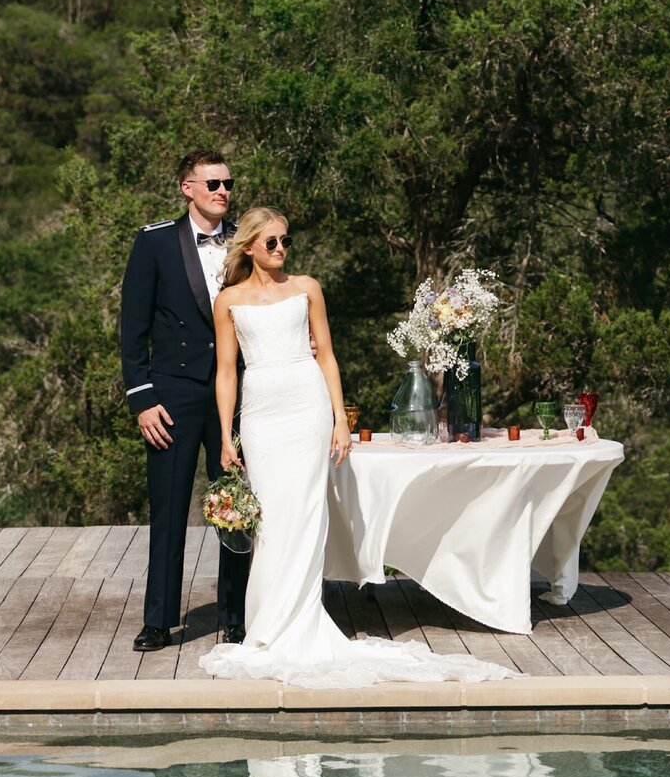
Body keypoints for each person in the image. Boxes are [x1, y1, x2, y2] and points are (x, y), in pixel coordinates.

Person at [199, 208, 516, 686]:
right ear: (249, 248)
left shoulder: (307, 288)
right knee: (271, 521)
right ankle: (267, 627)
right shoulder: (228, 301)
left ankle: (301, 623)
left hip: (306, 408)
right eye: (271, 243)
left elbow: (326, 354)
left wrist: (338, 421)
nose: (282, 249)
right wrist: (226, 434)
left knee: (307, 516)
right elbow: (226, 370)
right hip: (262, 413)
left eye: (286, 240)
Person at [120, 150, 249, 650]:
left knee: (236, 503)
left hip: (234, 391)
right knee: (169, 507)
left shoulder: (247, 239)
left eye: (228, 183)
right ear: (187, 188)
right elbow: (133, 328)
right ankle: (158, 620)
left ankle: (236, 614)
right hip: (171, 393)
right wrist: (141, 399)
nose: (222, 191)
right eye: (212, 183)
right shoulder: (153, 242)